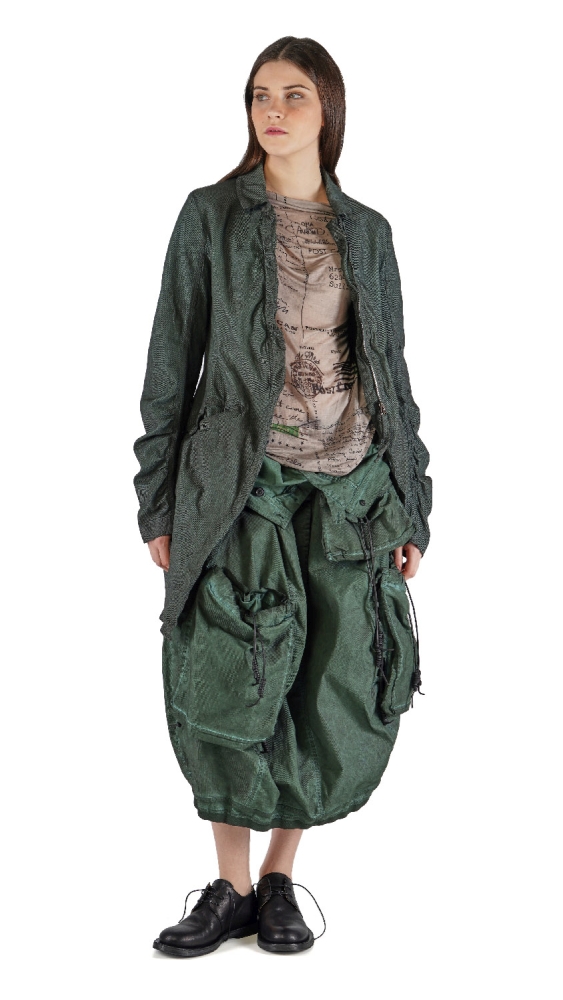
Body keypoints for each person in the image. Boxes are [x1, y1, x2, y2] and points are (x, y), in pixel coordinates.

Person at [133, 35, 432, 958]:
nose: (273, 109)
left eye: (294, 94)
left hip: (348, 496)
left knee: (324, 686)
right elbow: (170, 362)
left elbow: (389, 371)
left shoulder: (367, 232)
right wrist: (158, 501)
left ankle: (277, 880)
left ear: (327, 109)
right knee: (229, 672)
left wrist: (413, 500)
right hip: (237, 489)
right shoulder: (210, 217)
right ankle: (226, 886)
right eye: (261, 94)